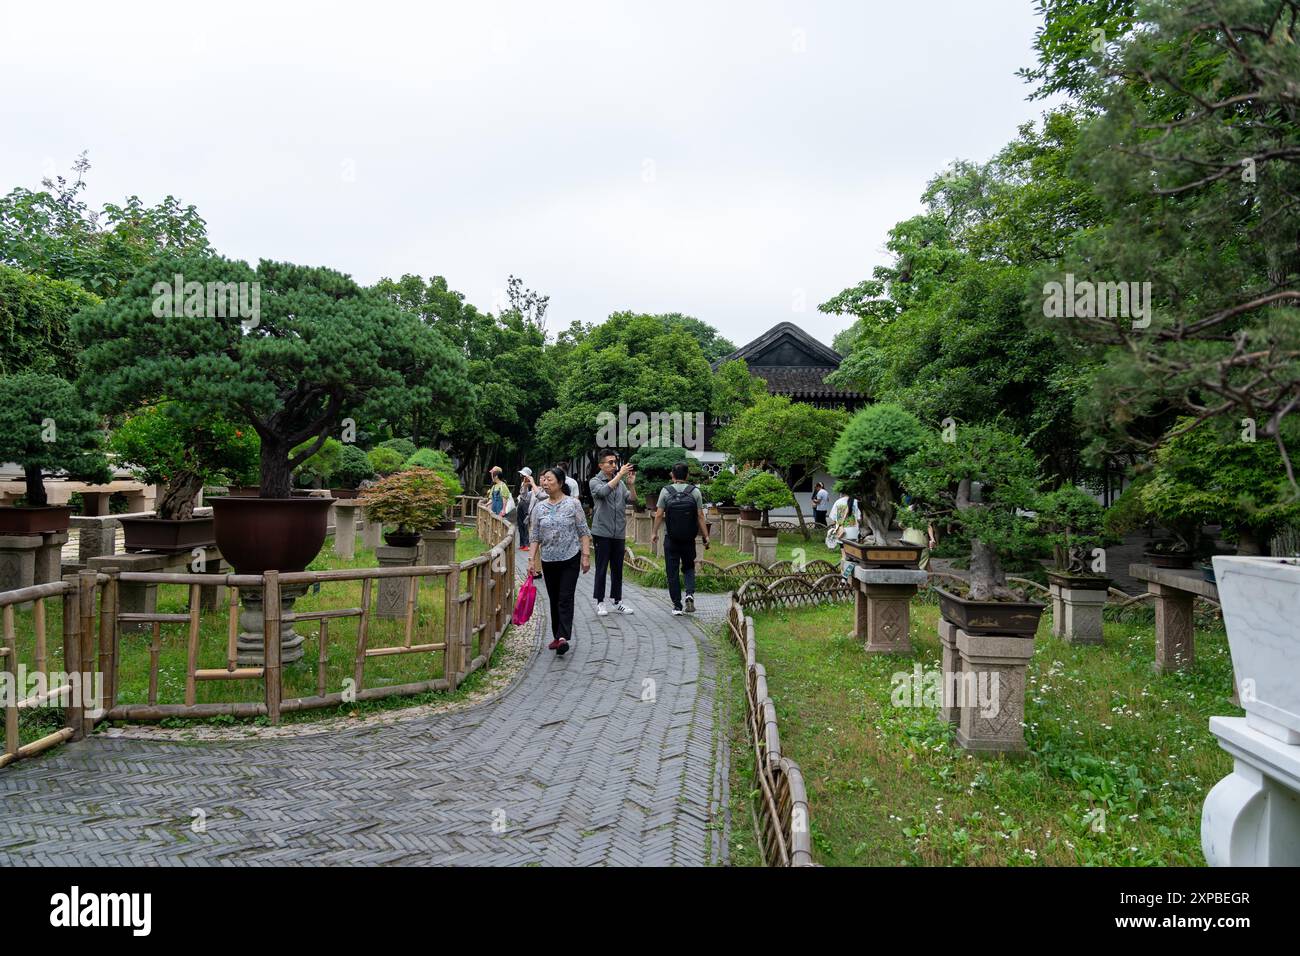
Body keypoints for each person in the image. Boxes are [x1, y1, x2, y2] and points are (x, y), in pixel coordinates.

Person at [528, 466, 591, 656]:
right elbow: (535, 536)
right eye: (544, 480)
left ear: (561, 483)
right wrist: (531, 560)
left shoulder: (573, 504)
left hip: (570, 557)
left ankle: (563, 637)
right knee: (554, 598)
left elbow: (583, 531)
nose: (545, 483)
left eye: (549, 480)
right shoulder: (539, 508)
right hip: (548, 559)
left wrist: (585, 556)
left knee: (565, 597)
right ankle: (557, 635)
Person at [651, 461, 710, 615]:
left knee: (672, 571)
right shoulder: (694, 492)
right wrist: (706, 536)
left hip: (671, 539)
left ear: (672, 475)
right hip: (688, 539)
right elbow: (700, 516)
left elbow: (658, 514)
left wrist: (654, 532)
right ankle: (689, 594)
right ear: (687, 475)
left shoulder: (666, 491)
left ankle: (677, 606)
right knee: (689, 567)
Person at [589, 449, 635, 616]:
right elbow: (602, 493)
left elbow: (632, 499)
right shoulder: (595, 481)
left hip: (619, 532)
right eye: (610, 463)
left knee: (618, 568)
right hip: (602, 531)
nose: (614, 465)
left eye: (615, 462)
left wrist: (631, 484)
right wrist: (620, 476)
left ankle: (617, 600)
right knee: (602, 568)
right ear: (601, 465)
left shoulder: (621, 484)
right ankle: (600, 602)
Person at [517, 467, 536, 550]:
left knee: (525, 524)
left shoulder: (530, 483)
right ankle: (522, 543)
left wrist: (528, 484)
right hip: (520, 503)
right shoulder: (523, 482)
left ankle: (526, 544)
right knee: (520, 523)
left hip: (526, 504)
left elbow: (527, 496)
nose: (521, 475)